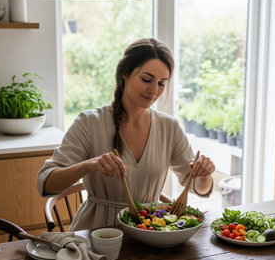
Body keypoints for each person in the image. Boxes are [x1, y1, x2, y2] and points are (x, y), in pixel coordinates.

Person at [37, 38, 215, 231]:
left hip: (149, 232)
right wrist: (90, 164)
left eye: (162, 83)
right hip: (96, 233)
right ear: (125, 74)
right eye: (146, 79)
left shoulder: (169, 127)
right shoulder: (89, 123)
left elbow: (199, 188)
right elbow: (46, 184)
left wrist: (203, 175)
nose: (154, 90)